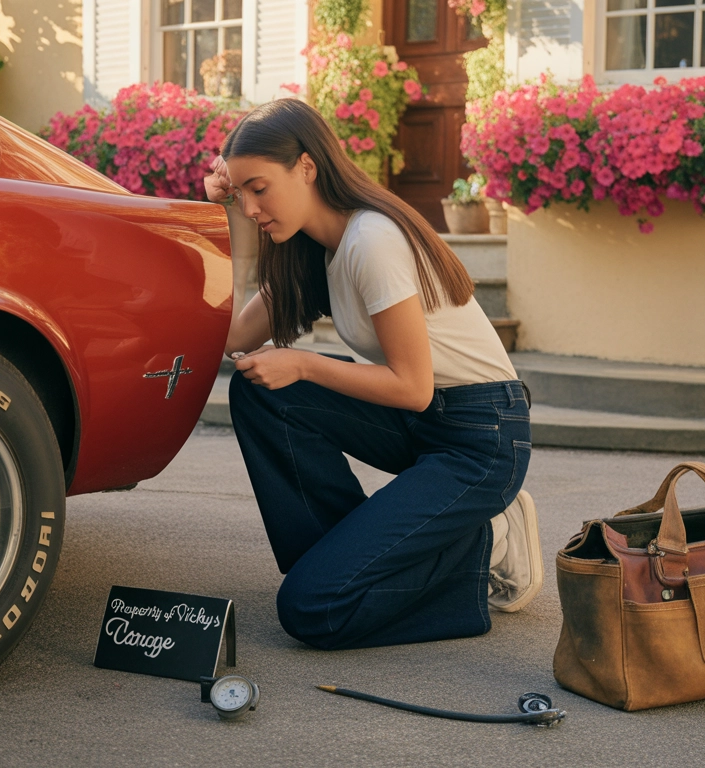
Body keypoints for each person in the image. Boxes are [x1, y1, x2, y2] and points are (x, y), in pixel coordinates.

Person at [204, 99, 542, 650]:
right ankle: (347, 561)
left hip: (481, 438)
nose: (251, 206)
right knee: (260, 391)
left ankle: (484, 546)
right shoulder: (314, 248)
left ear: (307, 167)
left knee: (312, 611)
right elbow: (232, 336)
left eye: (258, 189)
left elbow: (413, 388)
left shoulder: (372, 240)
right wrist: (224, 214)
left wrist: (304, 362)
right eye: (241, 193)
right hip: (420, 423)